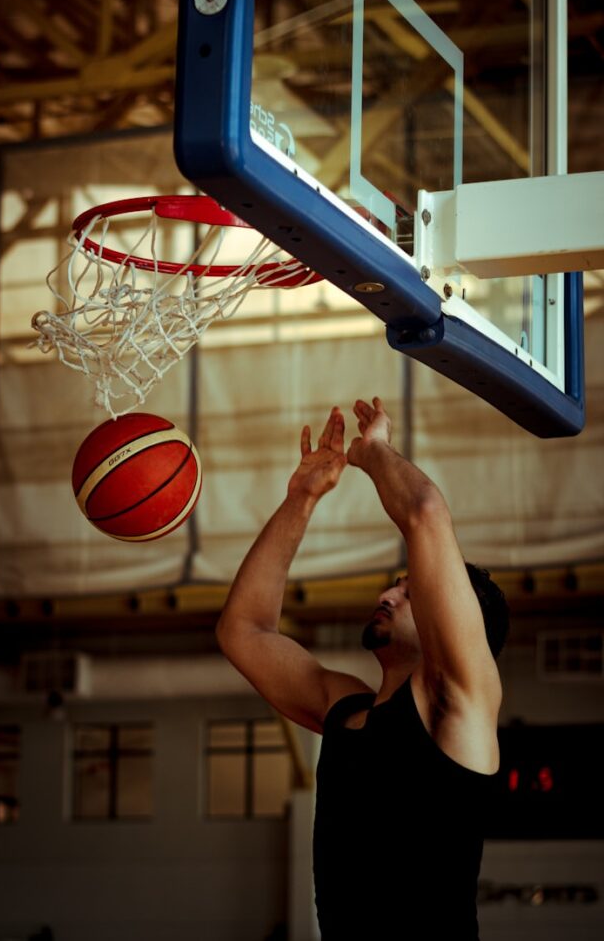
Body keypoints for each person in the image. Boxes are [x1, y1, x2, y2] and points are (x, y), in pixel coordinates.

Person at [216, 396, 509, 940]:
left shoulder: (460, 703)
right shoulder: (343, 707)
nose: (388, 595)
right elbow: (244, 631)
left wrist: (372, 453)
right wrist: (301, 499)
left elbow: (424, 513)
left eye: (409, 592)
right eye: (395, 586)